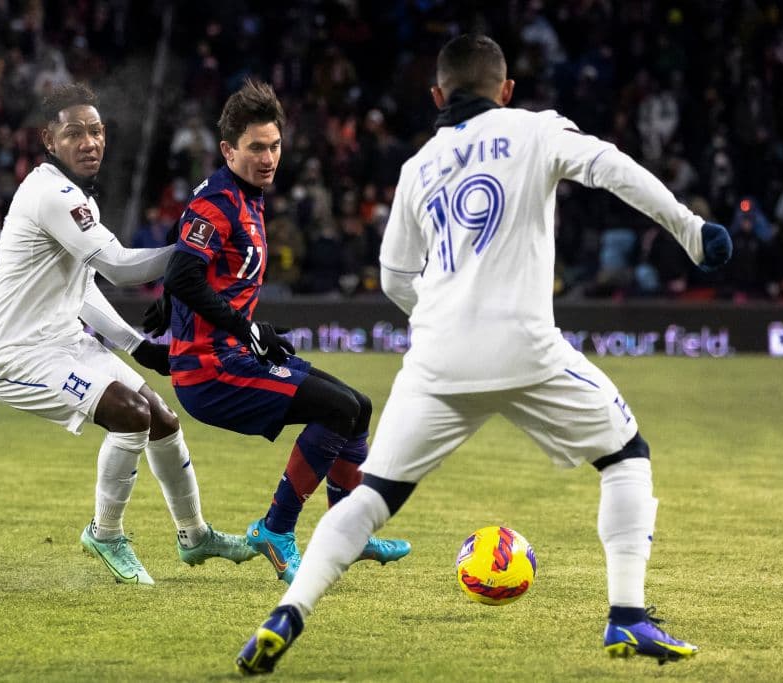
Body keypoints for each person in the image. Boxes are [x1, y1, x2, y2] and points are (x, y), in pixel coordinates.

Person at [236, 34, 733, 674]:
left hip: (438, 359)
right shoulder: (533, 130)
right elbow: (612, 167)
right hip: (525, 347)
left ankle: (289, 613)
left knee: (372, 496)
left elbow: (392, 276)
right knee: (624, 454)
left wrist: (441, 319)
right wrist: (693, 231)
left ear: (438, 95)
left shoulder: (418, 167)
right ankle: (627, 618)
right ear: (506, 91)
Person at [0, 82, 256, 586]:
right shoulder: (50, 195)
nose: (89, 142)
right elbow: (123, 270)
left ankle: (195, 536)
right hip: (13, 355)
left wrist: (137, 346)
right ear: (48, 140)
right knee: (131, 416)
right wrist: (199, 246)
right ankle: (105, 533)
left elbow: (83, 291)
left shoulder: (75, 198)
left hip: (61, 340)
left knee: (163, 420)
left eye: (96, 131)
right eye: (74, 132)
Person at [142, 79, 411, 585]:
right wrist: (243, 327)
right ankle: (275, 528)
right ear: (228, 150)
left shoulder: (246, 196)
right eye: (256, 148)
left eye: (275, 146)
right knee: (338, 410)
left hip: (234, 355)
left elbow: (194, 268)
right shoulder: (218, 201)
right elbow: (182, 271)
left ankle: (348, 533)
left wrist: (168, 306)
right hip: (213, 371)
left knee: (358, 408)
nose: (269, 158)